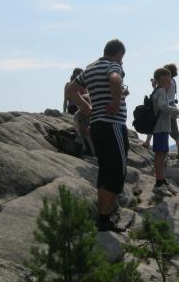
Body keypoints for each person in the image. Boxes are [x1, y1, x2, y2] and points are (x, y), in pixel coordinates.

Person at [66, 39, 128, 232]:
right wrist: (117, 102)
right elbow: (115, 79)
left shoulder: (90, 68)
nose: (122, 61)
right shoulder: (113, 65)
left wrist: (86, 107)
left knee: (105, 170)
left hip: (97, 126)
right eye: (122, 58)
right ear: (118, 53)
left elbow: (70, 90)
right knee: (118, 171)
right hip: (113, 124)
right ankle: (105, 218)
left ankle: (102, 219)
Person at [150, 68, 179, 196]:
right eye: (168, 79)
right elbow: (163, 106)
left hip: (162, 127)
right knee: (160, 155)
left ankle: (162, 180)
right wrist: (176, 111)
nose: (170, 81)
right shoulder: (161, 91)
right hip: (161, 128)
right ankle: (159, 182)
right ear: (162, 79)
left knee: (162, 154)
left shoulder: (158, 90)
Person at [163, 63, 179, 159]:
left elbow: (162, 92)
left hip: (167, 106)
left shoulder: (168, 81)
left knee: (165, 128)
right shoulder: (173, 81)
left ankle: (165, 150)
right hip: (172, 104)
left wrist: (154, 85)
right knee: (174, 130)